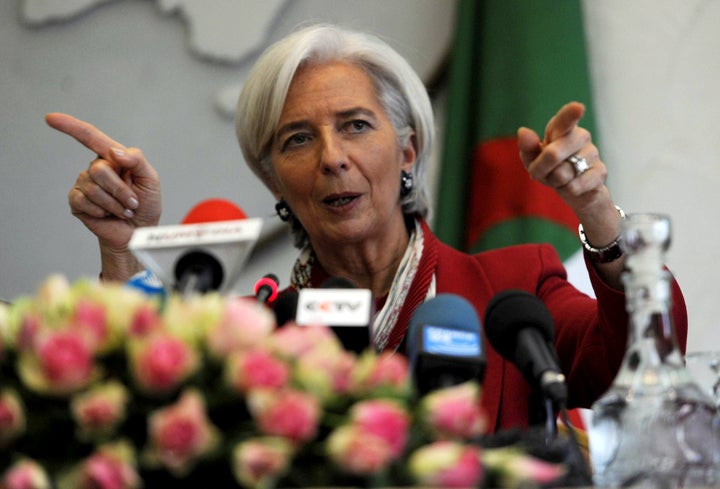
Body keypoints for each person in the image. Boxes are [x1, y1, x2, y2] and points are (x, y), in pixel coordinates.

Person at [47, 24, 687, 432]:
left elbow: (639, 355)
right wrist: (122, 249)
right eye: (298, 139)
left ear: (406, 152)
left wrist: (596, 207)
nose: (332, 157)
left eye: (355, 125)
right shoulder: (251, 334)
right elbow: (126, 416)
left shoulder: (514, 288)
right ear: (275, 182)